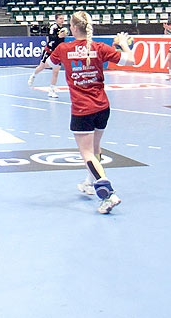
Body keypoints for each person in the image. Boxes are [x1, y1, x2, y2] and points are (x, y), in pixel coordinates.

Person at [48, 11, 135, 214]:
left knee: (86, 153)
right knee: (95, 149)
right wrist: (123, 43)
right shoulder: (99, 47)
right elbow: (131, 61)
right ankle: (89, 181)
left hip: (81, 109)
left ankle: (108, 194)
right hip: (102, 107)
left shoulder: (63, 48)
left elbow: (50, 64)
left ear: (74, 28)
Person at [28, 13, 67, 98]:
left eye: (63, 18)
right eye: (60, 18)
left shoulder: (64, 29)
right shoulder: (53, 27)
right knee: (42, 67)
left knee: (56, 70)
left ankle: (52, 90)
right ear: (56, 19)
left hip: (57, 52)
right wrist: (58, 36)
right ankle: (33, 75)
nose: (62, 20)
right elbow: (51, 38)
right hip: (49, 50)